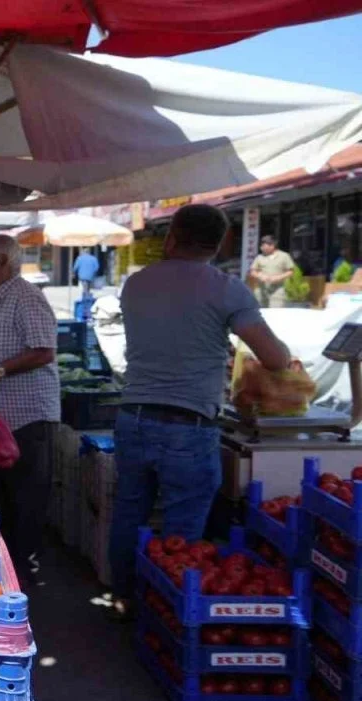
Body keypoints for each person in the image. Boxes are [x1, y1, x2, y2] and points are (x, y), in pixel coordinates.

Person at [109, 204, 291, 619]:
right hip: (188, 426)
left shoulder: (136, 283)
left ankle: (124, 598)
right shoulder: (227, 289)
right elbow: (275, 358)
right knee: (182, 527)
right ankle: (165, 616)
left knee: (130, 512)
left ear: (172, 236)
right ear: (220, 243)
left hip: (133, 416)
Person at [0, 234, 60, 586]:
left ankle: (25, 576)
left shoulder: (26, 297)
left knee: (26, 500)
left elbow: (44, 350)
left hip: (27, 419)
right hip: (1, 424)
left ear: (2, 261)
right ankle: (8, 570)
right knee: (5, 498)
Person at [248, 236, 296, 308]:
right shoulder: (259, 257)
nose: (261, 248)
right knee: (261, 311)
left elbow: (291, 271)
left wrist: (279, 277)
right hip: (261, 290)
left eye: (264, 246)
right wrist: (259, 275)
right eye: (261, 246)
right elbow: (252, 271)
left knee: (275, 311)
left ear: (272, 246)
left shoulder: (284, 256)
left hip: (277, 290)